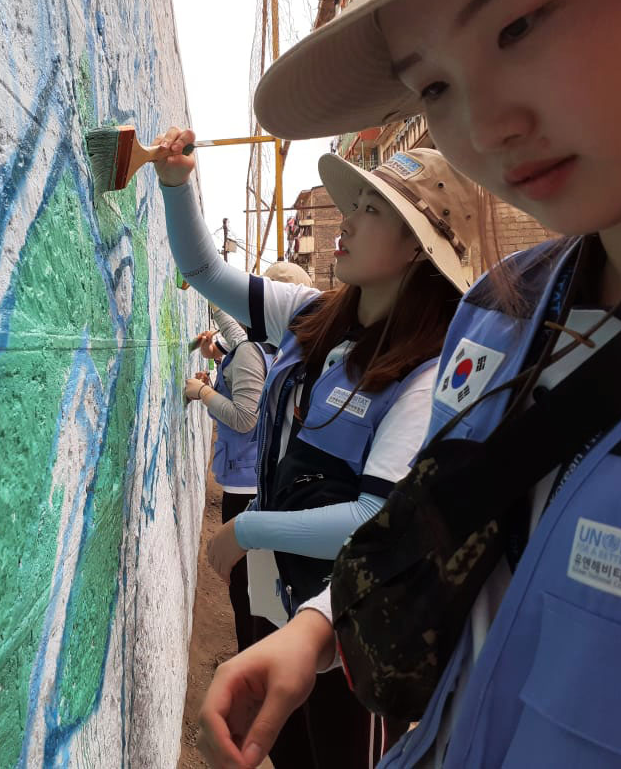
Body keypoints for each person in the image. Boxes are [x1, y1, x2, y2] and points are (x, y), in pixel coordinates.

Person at [195, 0, 621, 768]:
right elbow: (439, 530)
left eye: (519, 26)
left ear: (414, 249)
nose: (483, 125)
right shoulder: (498, 319)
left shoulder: (429, 356)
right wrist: (319, 626)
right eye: (433, 87)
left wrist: (251, 532)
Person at [157, 134, 482, 767]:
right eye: (356, 202)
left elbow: (372, 519)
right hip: (279, 593)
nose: (347, 221)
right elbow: (203, 271)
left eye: (373, 210)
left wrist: (248, 528)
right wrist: (175, 183)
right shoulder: (311, 314)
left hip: (348, 623)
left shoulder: (426, 374)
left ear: (418, 246)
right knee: (288, 750)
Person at [185, 264, 313, 653]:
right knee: (263, 590)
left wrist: (202, 393)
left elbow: (245, 418)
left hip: (246, 486)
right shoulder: (286, 346)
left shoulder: (250, 351)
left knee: (245, 592)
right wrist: (221, 356)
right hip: (266, 479)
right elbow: (241, 346)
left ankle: (250, 667)